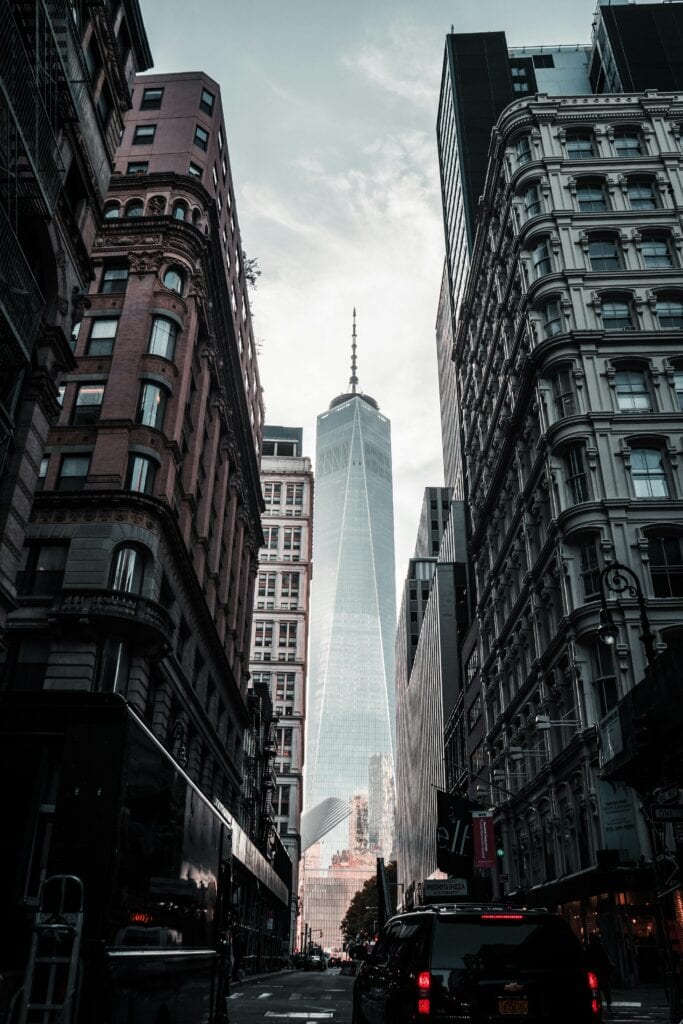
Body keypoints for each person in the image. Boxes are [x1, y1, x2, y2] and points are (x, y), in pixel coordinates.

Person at [586, 932, 613, 1009]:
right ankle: (608, 1004)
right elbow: (605, 959)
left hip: (594, 971)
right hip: (600, 971)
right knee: (604, 988)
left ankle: (600, 1004)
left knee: (596, 989)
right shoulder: (600, 947)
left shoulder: (589, 948)